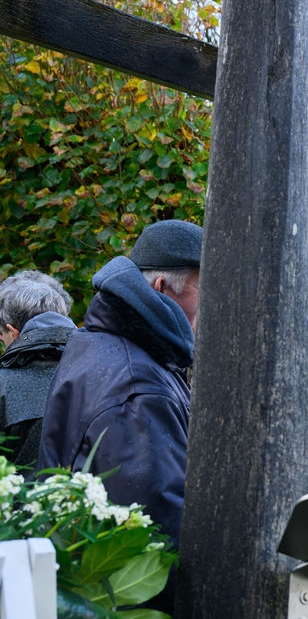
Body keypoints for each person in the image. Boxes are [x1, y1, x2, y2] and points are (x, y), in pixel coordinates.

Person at [38, 219, 202, 550]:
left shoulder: (98, 344)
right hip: (123, 593)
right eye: (205, 288)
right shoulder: (140, 384)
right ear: (161, 287)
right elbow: (156, 533)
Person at [0, 273, 77, 466]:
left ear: (13, 332)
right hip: (90, 494)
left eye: (2, 334)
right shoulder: (105, 370)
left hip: (18, 495)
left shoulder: (3, 384)